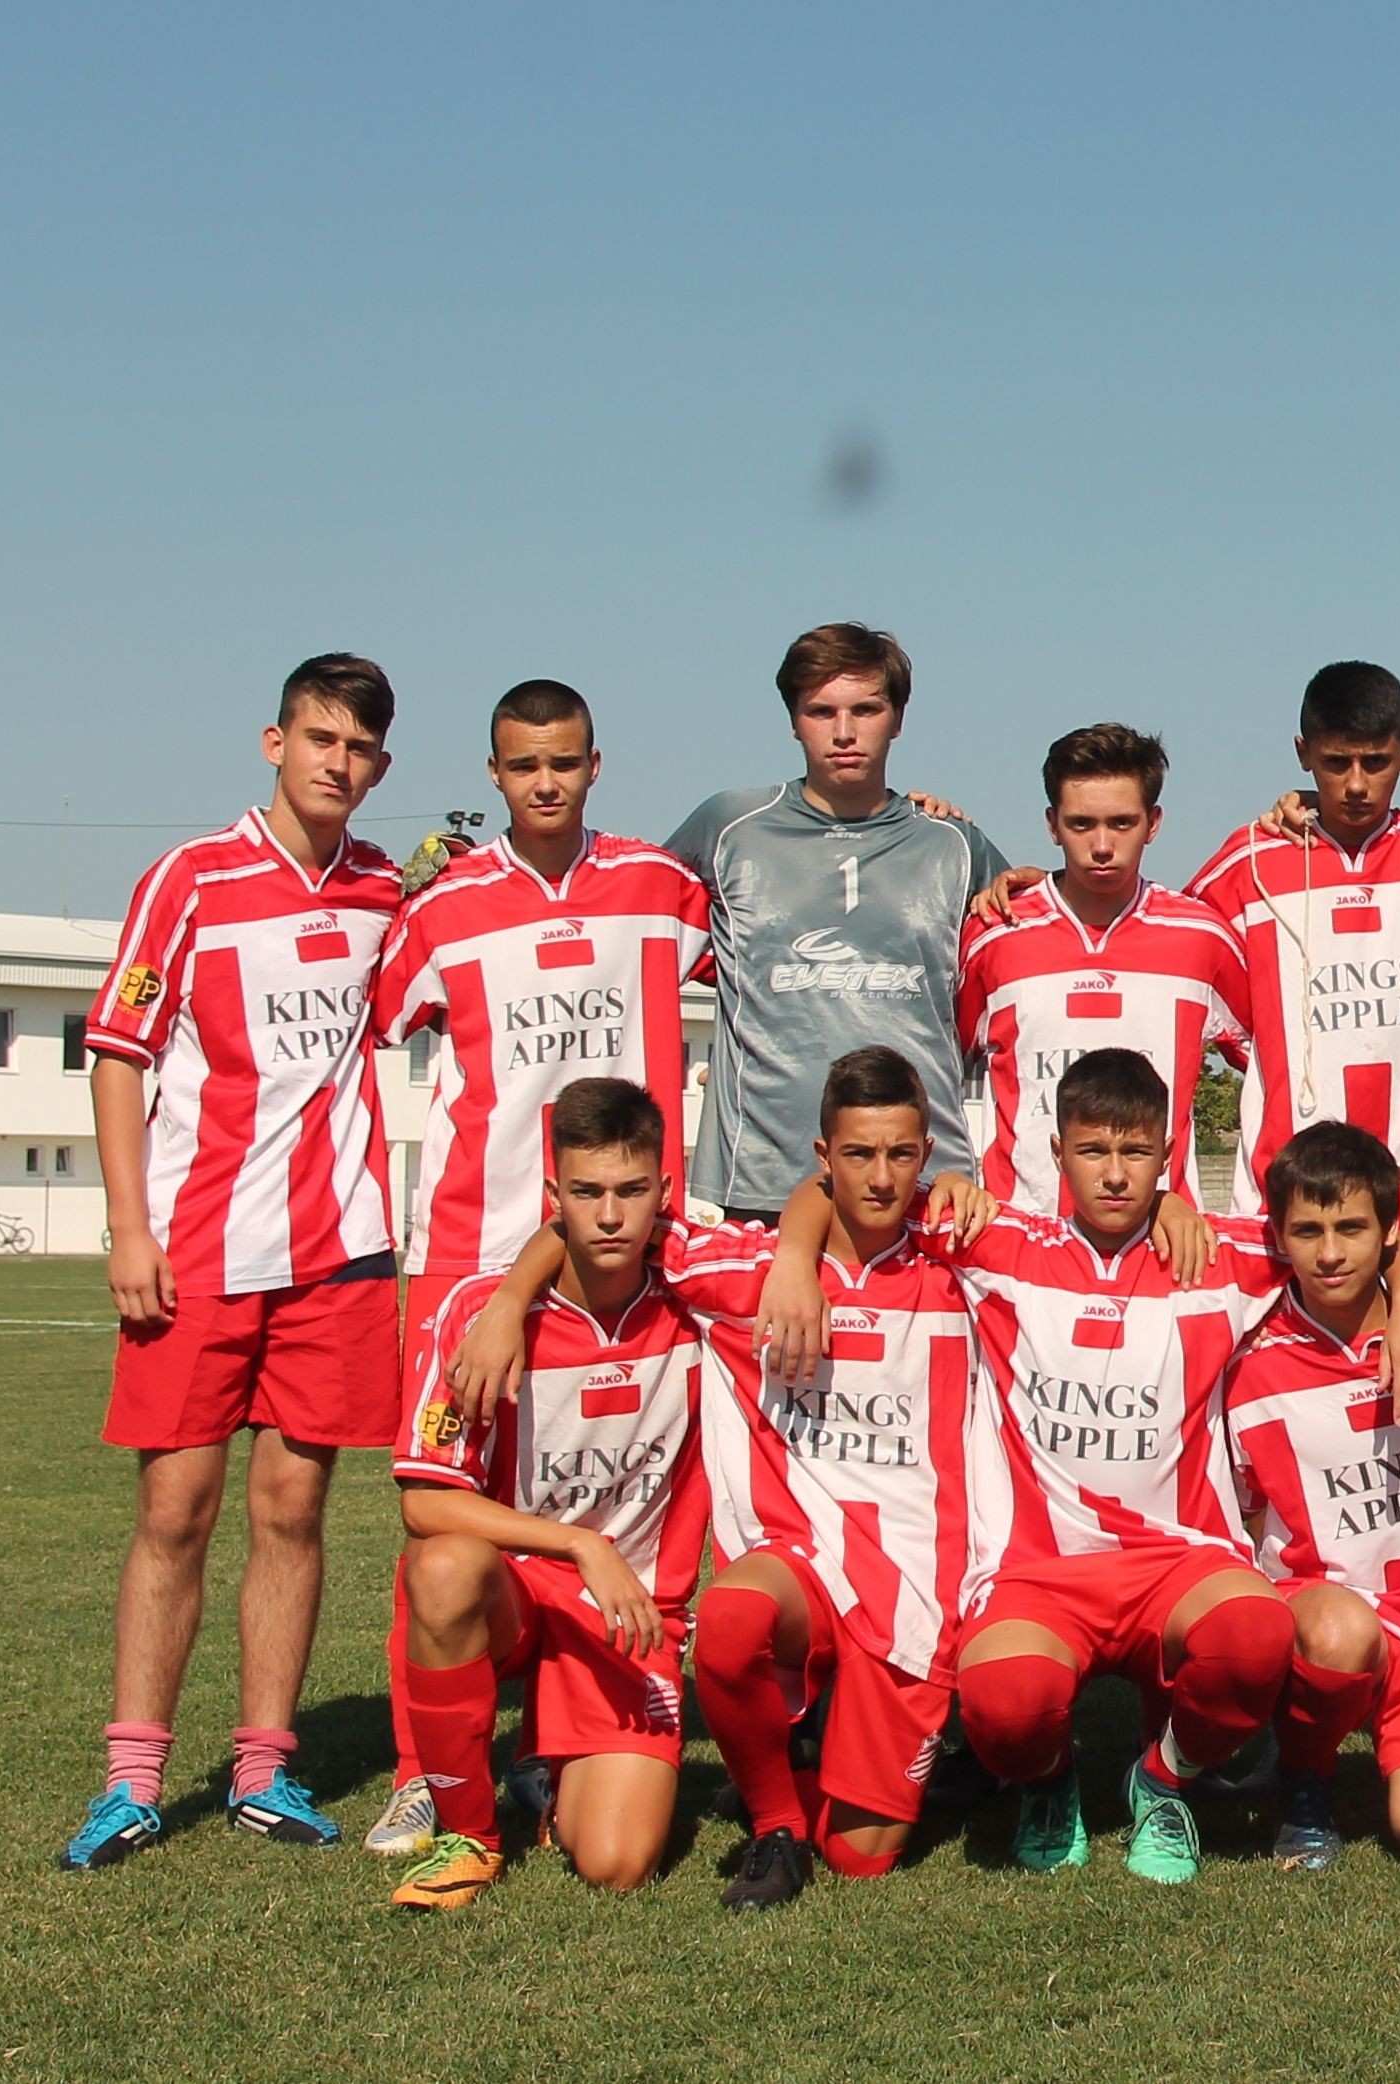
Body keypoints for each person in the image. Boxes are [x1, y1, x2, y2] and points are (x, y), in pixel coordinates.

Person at [773, 1048, 1400, 1885]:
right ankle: (1049, 1786)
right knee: (1004, 1702)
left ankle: (1162, 1782)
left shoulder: (1220, 1256)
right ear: (1056, 1154)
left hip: (1179, 1562)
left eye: (1137, 1155)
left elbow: (1346, 1226)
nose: (1116, 1176)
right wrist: (790, 1259)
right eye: (1094, 1152)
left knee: (1254, 1635)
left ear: (1167, 1157)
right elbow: (843, 1188)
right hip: (1038, 1570)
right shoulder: (994, 1240)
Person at [454, 1047, 988, 1910]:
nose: (881, 1177)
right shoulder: (740, 1275)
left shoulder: (963, 1260)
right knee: (732, 1620)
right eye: (857, 1155)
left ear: (927, 1155)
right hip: (798, 1566)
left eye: (902, 1155)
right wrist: (510, 1302)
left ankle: (846, 1771)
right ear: (822, 1158)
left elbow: (1080, 1238)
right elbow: (599, 1217)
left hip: (916, 1584)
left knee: (864, 1856)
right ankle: (776, 1825)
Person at [62, 653, 408, 1871]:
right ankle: (134, 1778)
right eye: (320, 737)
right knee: (174, 1509)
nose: (339, 763)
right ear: (275, 741)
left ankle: (266, 1766)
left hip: (339, 1255)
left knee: (295, 1508)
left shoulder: (388, 891)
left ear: (381, 764)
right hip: (197, 1246)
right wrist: (127, 1224)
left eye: (362, 748)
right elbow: (117, 1050)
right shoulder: (190, 880)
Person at [362, 677, 713, 1858]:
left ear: (596, 765)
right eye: (522, 766)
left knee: (606, 1470)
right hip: (479, 1252)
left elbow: (783, 952)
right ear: (496, 774)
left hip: (623, 1238)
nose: (546, 782)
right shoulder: (444, 905)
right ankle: (427, 1768)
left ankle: (561, 1734)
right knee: (446, 1534)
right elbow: (358, 1025)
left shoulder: (664, 893)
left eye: (564, 761)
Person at [385, 1077, 711, 1911]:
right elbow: (423, 1502)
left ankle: (546, 1772)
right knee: (444, 1567)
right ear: (553, 1195)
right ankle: (467, 1832)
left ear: (664, 1195)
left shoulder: (699, 1303)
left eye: (632, 1192)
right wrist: (577, 1541)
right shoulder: (480, 1313)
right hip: (523, 1593)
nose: (610, 1216)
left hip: (632, 1615)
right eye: (588, 1192)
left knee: (617, 1864)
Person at [1181, 662, 1400, 1280]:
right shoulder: (1249, 863)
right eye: (1336, 763)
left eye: (1377, 762)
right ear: (1302, 754)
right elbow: (1167, 963)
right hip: (1281, 1197)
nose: (1357, 784)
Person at [1225, 1123, 1400, 1872]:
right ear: (1277, 1236)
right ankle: (1306, 1780)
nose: (1328, 1252)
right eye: (1307, 1230)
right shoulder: (1246, 1361)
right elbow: (1235, 1514)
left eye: (1351, 1228)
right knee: (1339, 1632)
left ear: (1389, 1233)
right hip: (1326, 1620)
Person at [666, 622, 1007, 1221]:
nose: (844, 732)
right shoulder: (728, 827)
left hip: (925, 1182)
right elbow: (618, 902)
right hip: (763, 1179)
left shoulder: (954, 844)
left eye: (866, 709)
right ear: (793, 720)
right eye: (821, 711)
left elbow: (1036, 949)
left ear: (898, 718)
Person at [957, 723, 1249, 1213]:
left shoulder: (1204, 937)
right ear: (1052, 824)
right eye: (1080, 824)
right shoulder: (996, 932)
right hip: (1025, 1240)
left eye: (1121, 823)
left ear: (1153, 823)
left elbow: (1281, 1066)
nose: (1101, 846)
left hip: (1163, 1242)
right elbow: (941, 1069)